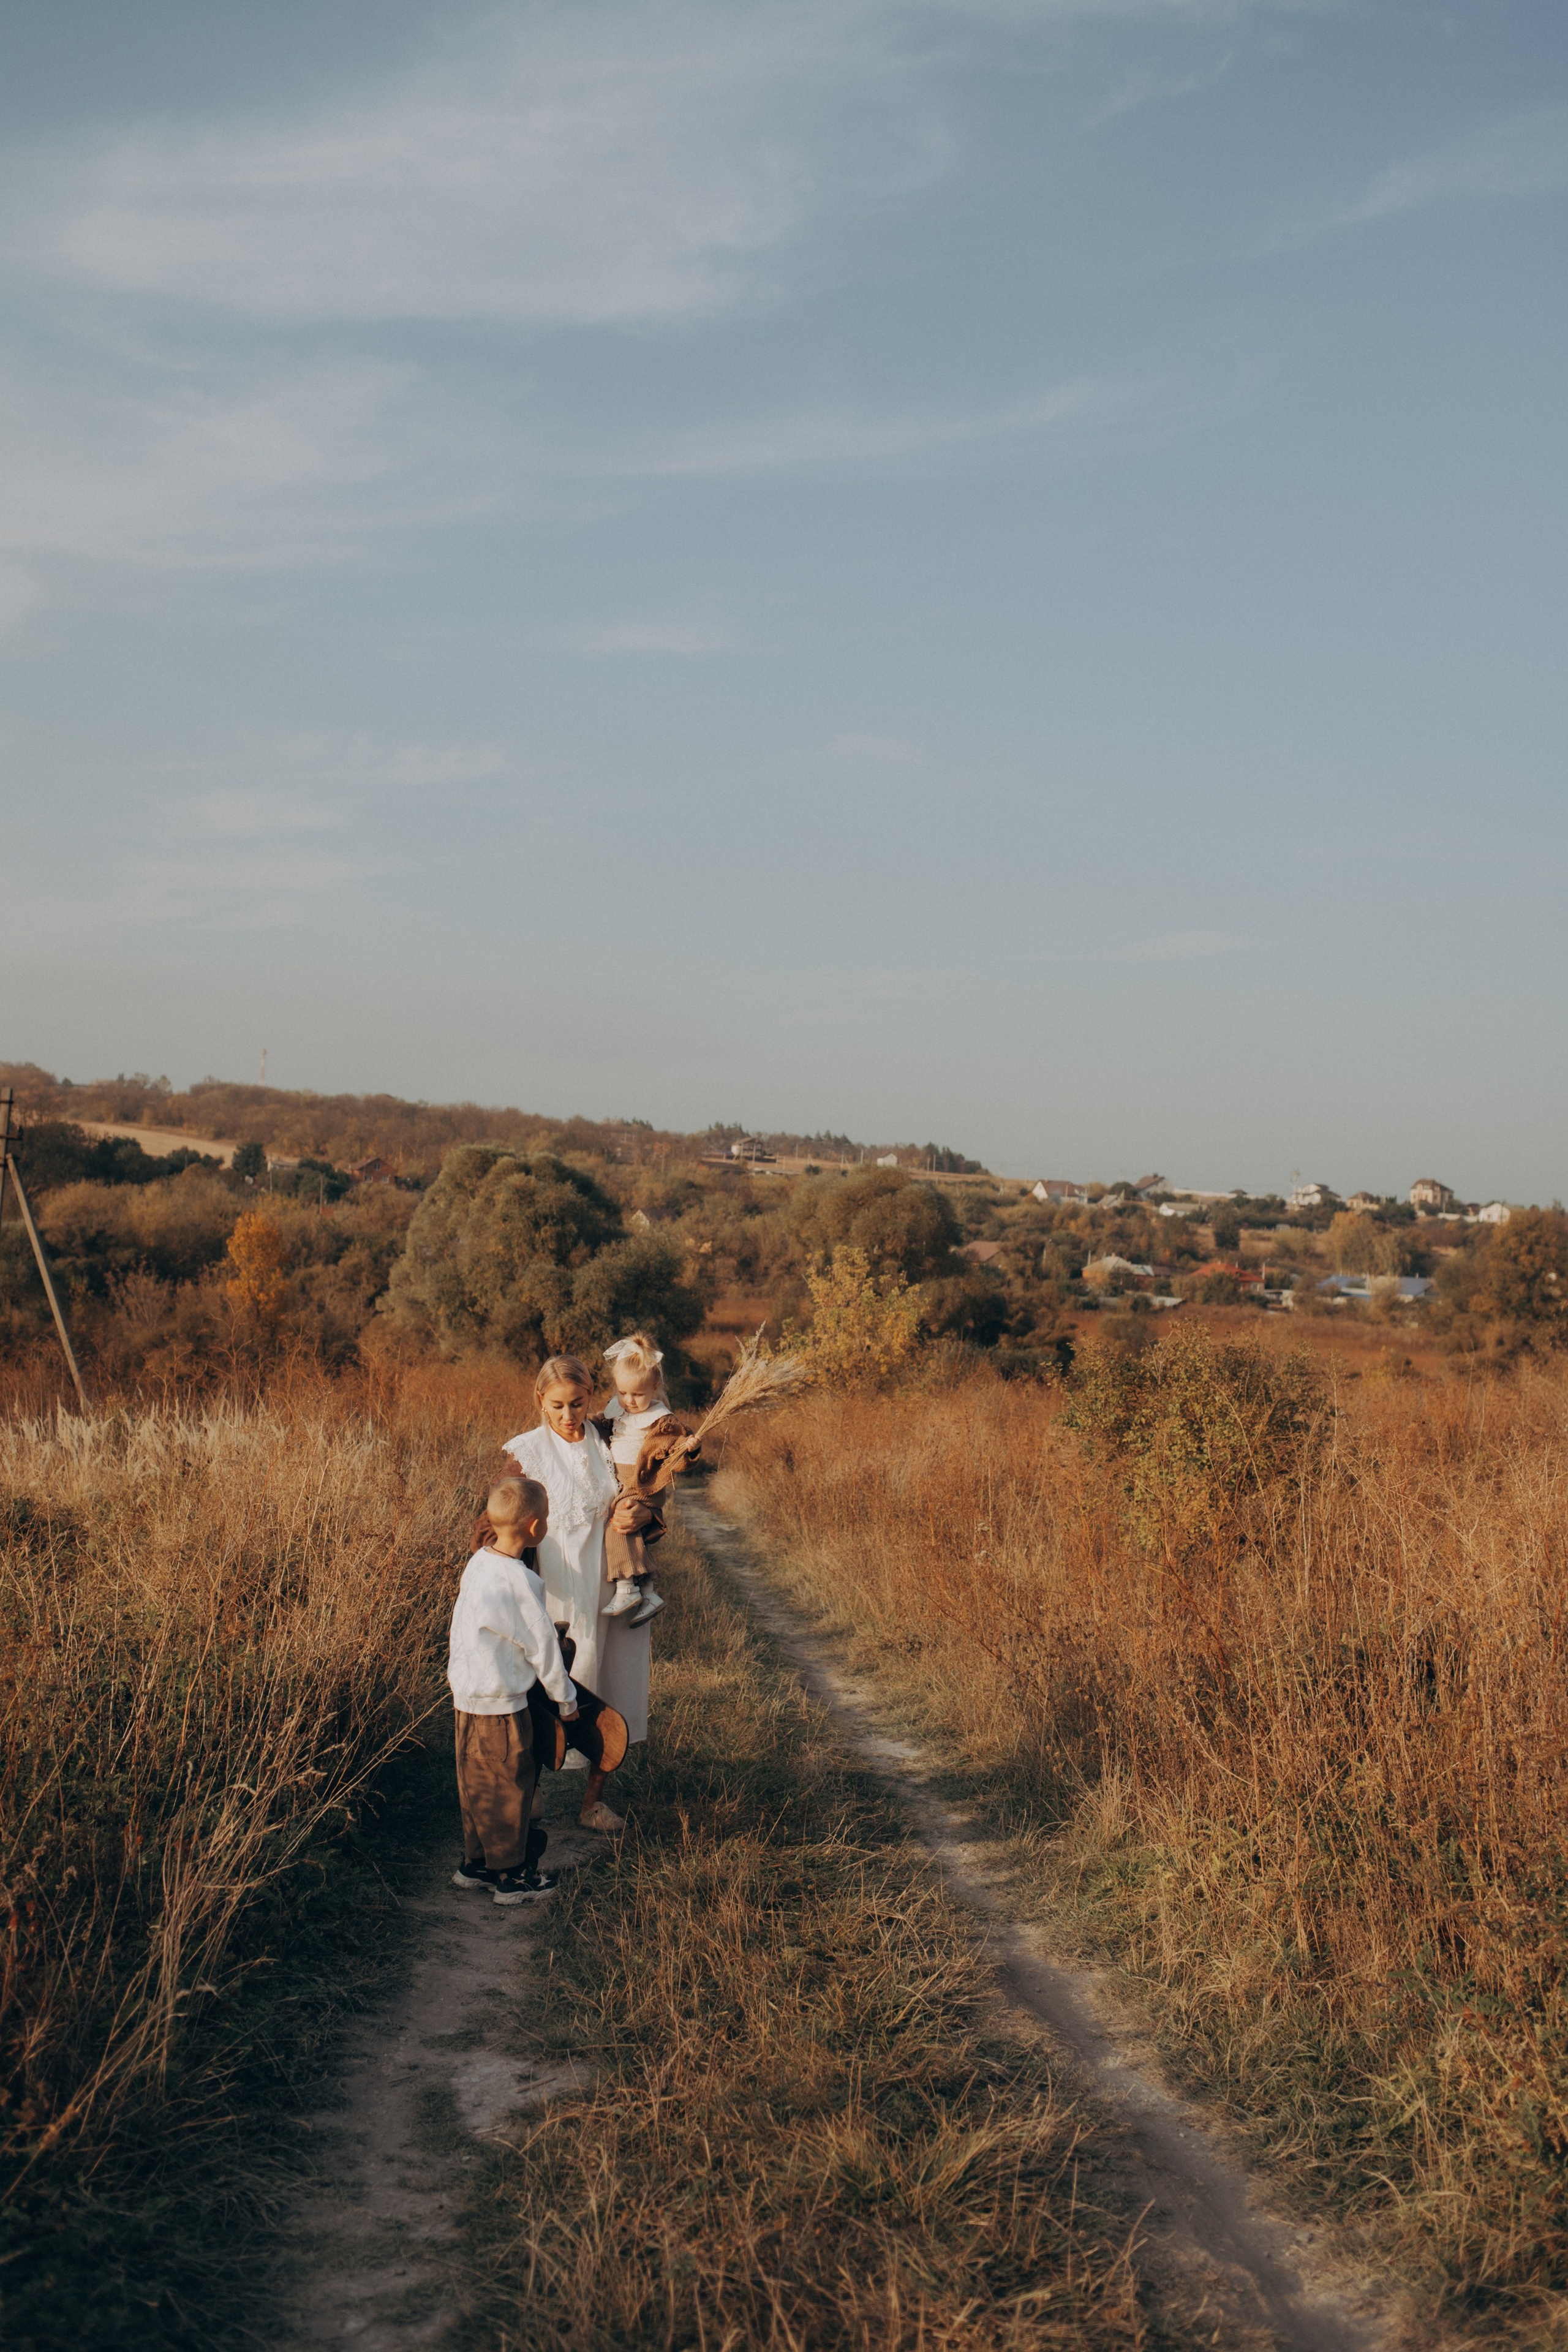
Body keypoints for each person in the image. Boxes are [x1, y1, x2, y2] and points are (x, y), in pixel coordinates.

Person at [500, 1357, 649, 1833]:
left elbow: (647, 1486)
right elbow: (498, 1525)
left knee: (610, 1687)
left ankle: (593, 1803)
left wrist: (644, 1514)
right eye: (558, 1405)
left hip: (610, 1590)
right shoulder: (525, 1454)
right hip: (552, 1593)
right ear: (540, 1402)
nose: (569, 1415)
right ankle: (530, 1793)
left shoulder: (612, 1441)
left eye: (578, 1403)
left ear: (591, 1397)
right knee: (540, 1691)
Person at [447, 1477, 578, 1905]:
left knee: (476, 1786)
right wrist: (566, 1700)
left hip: (466, 1700)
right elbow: (542, 1647)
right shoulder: (521, 1581)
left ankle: (477, 1864)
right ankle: (512, 1878)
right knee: (510, 1788)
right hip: (502, 1707)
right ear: (536, 1528)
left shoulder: (478, 1563)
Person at [599, 1330, 700, 1625]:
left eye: (638, 1394)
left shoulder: (661, 1419)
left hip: (643, 1481)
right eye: (623, 1393)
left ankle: (626, 1588)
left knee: (618, 1525)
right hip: (624, 1480)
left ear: (655, 1388)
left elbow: (678, 1451)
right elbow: (603, 1425)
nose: (629, 1401)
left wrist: (689, 1447)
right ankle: (649, 1592)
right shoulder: (618, 1408)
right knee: (632, 1531)